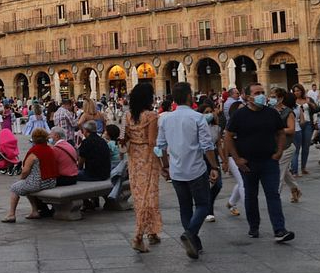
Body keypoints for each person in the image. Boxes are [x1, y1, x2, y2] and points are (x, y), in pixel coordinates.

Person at [155, 82, 220, 259]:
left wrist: (165, 166)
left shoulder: (165, 119)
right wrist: (214, 166)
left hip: (176, 171)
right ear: (189, 97)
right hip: (196, 169)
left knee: (185, 207)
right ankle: (190, 234)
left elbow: (159, 146)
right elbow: (207, 146)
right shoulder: (197, 117)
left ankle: (194, 243)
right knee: (203, 204)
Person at [225, 83, 294, 243]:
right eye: (257, 93)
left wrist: (279, 152)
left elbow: (280, 132)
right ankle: (253, 226)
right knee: (250, 195)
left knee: (273, 194)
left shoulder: (271, 113)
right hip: (248, 163)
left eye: (262, 92)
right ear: (248, 97)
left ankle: (279, 229)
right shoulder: (240, 115)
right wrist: (236, 159)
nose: (261, 95)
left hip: (269, 161)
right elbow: (228, 136)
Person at [122, 82, 162, 253]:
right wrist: (163, 162)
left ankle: (152, 232)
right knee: (149, 195)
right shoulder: (152, 116)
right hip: (148, 158)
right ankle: (138, 236)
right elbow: (153, 142)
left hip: (134, 158)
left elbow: (124, 138)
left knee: (140, 196)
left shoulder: (127, 116)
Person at [1, 128, 57, 222]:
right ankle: (34, 211)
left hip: (38, 182)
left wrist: (21, 179)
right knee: (25, 185)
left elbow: (25, 171)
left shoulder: (34, 152)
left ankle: (11, 214)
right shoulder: (50, 149)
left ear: (34, 139)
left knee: (15, 187)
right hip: (51, 181)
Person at [272, 88, 302, 203]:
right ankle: (295, 189)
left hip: (286, 147)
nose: (272, 99)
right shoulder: (270, 110)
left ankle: (275, 198)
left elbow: (291, 130)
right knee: (285, 173)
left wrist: (277, 130)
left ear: (281, 98)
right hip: (275, 146)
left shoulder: (288, 112)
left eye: (274, 96)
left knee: (278, 172)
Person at [290, 84, 316, 176]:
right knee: (296, 148)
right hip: (296, 125)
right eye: (295, 91)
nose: (296, 92)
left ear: (302, 91)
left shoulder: (307, 99)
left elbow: (316, 109)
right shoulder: (291, 101)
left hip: (308, 124)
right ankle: (294, 169)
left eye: (298, 90)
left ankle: (303, 167)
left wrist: (310, 103)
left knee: (306, 147)